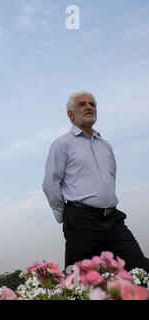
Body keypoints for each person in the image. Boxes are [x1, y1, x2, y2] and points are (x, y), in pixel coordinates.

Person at [42, 91, 149, 272]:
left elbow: (111, 176)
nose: (89, 107)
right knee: (79, 281)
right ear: (71, 114)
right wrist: (65, 214)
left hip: (113, 220)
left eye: (92, 104)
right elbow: (50, 183)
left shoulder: (105, 146)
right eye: (82, 104)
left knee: (140, 270)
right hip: (81, 221)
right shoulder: (62, 144)